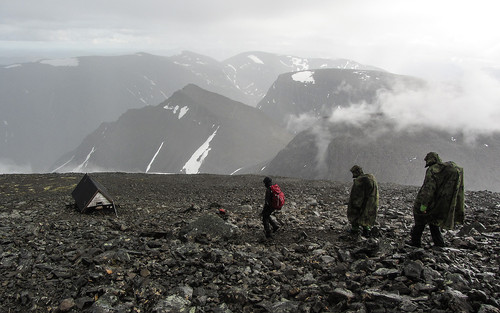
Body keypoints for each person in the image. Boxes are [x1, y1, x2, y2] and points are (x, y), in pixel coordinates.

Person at [409, 152, 465, 248]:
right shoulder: (445, 172)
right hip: (440, 203)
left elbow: (429, 188)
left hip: (429, 202)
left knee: (420, 220)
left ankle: (415, 242)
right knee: (434, 223)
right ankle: (439, 243)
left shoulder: (432, 170)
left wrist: (423, 204)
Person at [347, 165, 379, 237]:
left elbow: (357, 194)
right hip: (372, 201)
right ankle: (366, 230)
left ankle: (355, 229)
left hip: (363, 201)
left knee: (355, 214)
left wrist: (355, 204)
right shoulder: (371, 177)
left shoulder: (359, 180)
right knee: (366, 215)